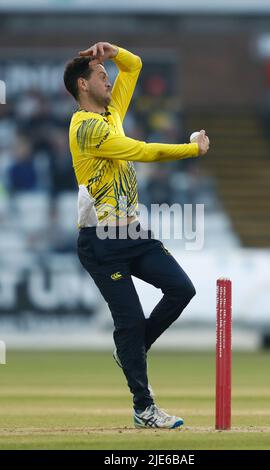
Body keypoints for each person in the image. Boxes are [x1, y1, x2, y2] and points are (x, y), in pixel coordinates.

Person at [63, 41, 209, 429]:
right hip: (100, 241)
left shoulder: (110, 113)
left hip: (133, 232)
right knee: (128, 321)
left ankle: (133, 349)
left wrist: (112, 53)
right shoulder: (87, 127)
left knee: (182, 289)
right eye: (99, 75)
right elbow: (143, 152)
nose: (107, 78)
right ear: (82, 84)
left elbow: (135, 65)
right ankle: (144, 408)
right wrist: (191, 149)